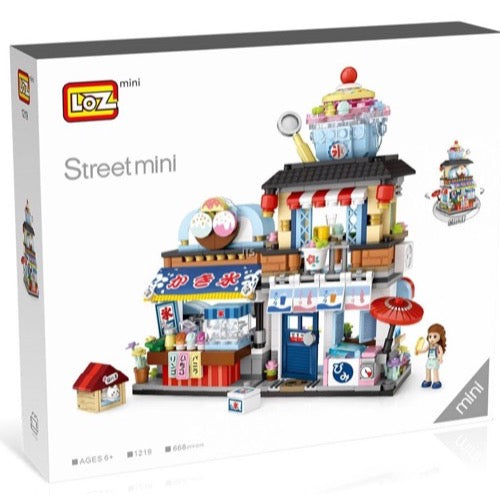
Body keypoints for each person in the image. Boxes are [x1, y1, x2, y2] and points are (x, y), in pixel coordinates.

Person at [415, 323, 446, 389]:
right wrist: (419, 351)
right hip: (429, 360)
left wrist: (440, 358)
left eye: (435, 336)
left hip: (435, 360)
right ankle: (428, 380)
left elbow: (441, 353)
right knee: (427, 369)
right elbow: (424, 350)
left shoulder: (438, 346)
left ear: (440, 336)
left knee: (435, 370)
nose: (432, 339)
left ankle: (436, 381)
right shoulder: (429, 345)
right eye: (430, 336)